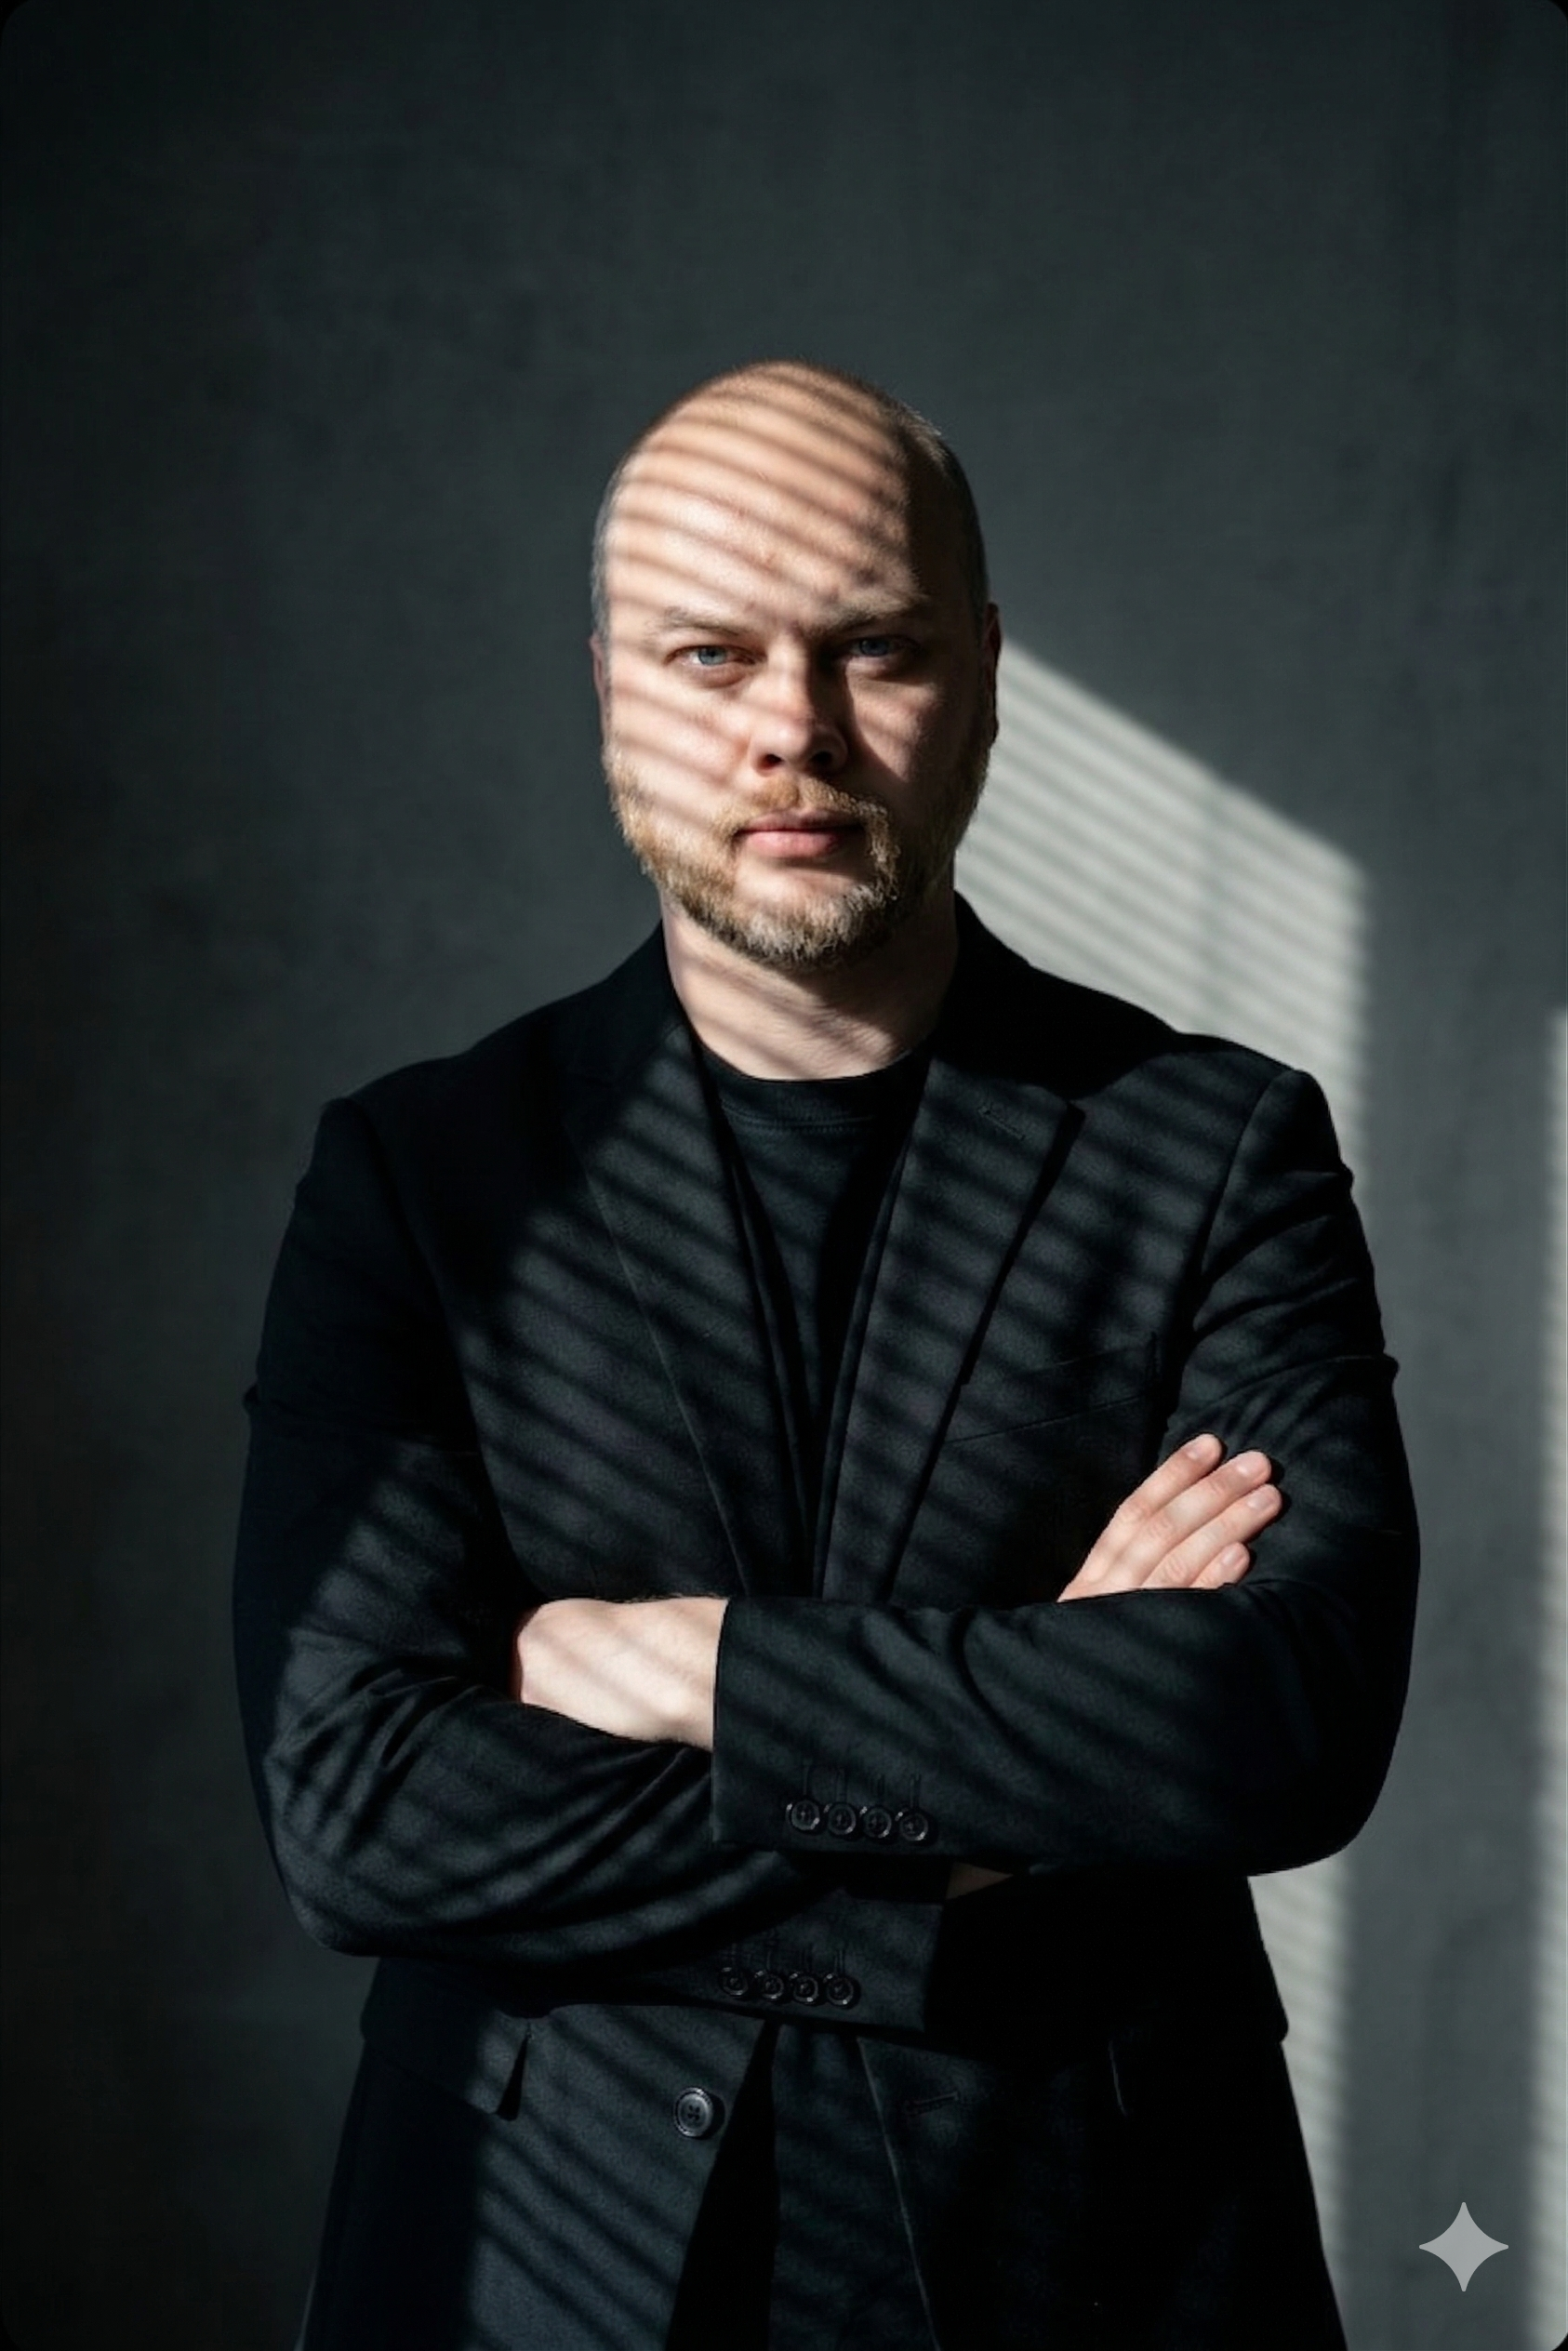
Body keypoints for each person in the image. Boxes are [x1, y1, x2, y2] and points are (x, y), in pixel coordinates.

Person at [233, 360, 1418, 2350]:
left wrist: (685, 1659)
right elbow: (357, 1800)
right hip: (527, 2273)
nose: (790, 727)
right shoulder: (421, 1179)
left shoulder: (1217, 1147)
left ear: (981, 668)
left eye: (871, 649)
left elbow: (1282, 1716)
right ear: (611, 677)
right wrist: (990, 1805)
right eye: (711, 652)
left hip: (1090, 2261)